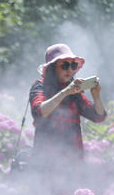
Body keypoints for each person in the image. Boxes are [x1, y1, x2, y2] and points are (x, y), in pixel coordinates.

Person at [27, 43, 106, 177]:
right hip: (46, 164)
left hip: (73, 163)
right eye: (64, 65)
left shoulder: (73, 90)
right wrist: (65, 92)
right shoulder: (40, 86)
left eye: (73, 65)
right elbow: (40, 111)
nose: (69, 70)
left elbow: (98, 117)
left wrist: (96, 96)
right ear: (53, 67)